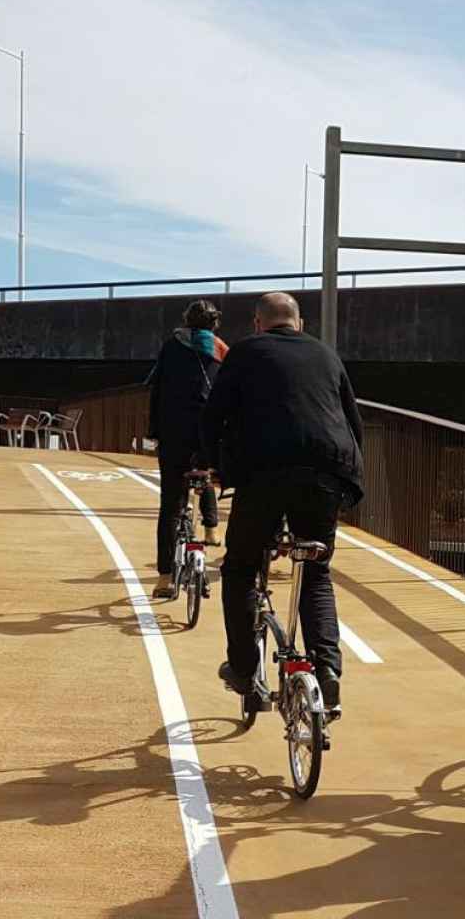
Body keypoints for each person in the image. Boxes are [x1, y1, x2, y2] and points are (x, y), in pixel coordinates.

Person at [201, 292, 363, 718]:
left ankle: (242, 669)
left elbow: (214, 415)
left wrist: (213, 465)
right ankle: (327, 670)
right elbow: (352, 421)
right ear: (300, 323)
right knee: (316, 571)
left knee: (239, 568)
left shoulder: (245, 352)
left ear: (258, 324)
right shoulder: (327, 355)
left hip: (264, 472)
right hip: (328, 469)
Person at [147, 300, 228, 598]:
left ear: (187, 321)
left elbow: (157, 390)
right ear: (214, 323)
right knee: (206, 478)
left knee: (171, 503)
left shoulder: (172, 346)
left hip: (174, 433)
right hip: (209, 436)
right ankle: (210, 530)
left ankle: (165, 577)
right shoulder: (222, 350)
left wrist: (154, 430)